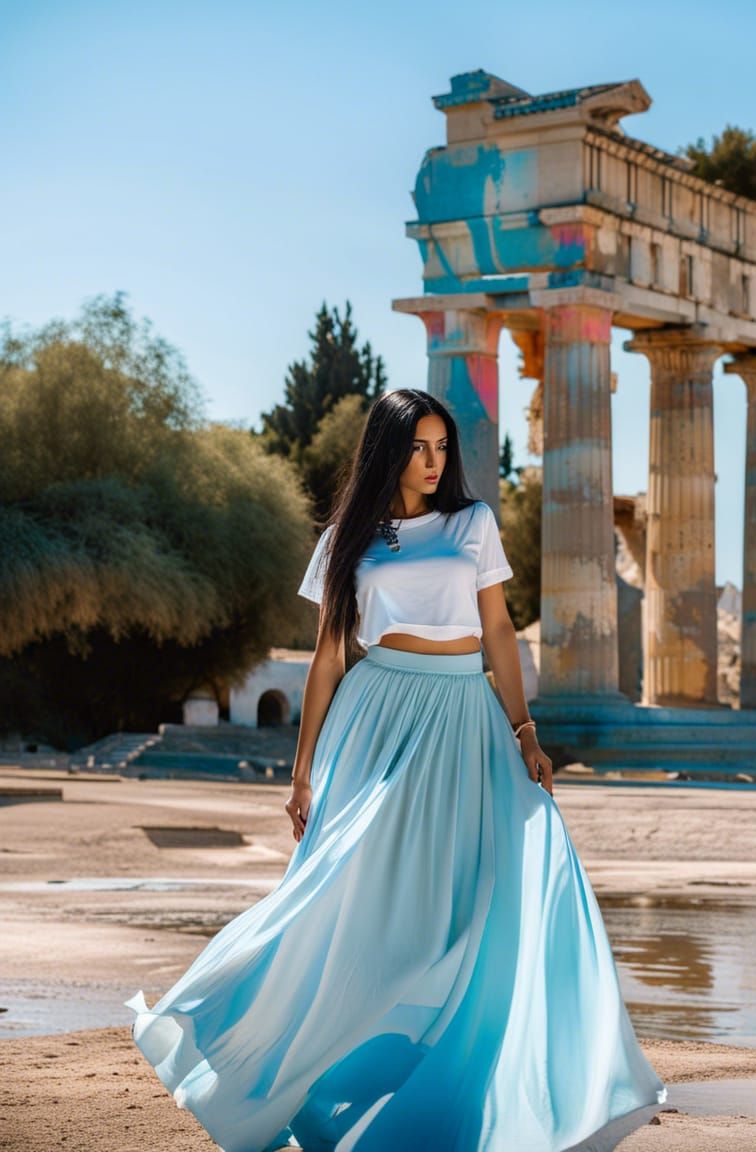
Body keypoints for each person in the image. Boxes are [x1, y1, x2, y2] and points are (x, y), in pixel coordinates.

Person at [125, 388, 667, 1152]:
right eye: (419, 447)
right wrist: (301, 770)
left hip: (463, 717)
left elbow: (499, 633)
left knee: (484, 890)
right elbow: (327, 658)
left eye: (443, 447)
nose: (434, 461)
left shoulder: (472, 523)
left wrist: (525, 731)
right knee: (345, 890)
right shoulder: (349, 538)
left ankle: (474, 1077)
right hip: (376, 716)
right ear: (388, 449)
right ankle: (240, 1034)